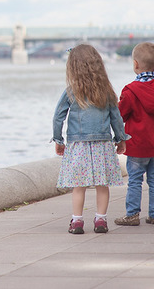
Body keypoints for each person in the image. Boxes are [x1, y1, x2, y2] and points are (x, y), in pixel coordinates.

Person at [52, 44, 129, 235]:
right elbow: (116, 118)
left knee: (79, 186)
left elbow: (58, 117)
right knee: (102, 185)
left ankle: (77, 222)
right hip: (102, 144)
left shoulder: (71, 91)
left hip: (78, 145)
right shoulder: (107, 91)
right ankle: (101, 220)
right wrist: (120, 139)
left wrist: (58, 140)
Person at [114, 42, 154, 226]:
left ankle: (132, 215)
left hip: (137, 144)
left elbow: (121, 115)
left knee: (135, 179)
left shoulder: (130, 90)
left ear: (135, 64)